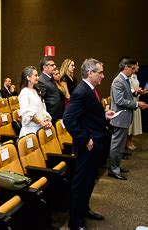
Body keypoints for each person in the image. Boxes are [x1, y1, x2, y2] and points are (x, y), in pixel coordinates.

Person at [63, 58, 115, 230]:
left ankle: (84, 209)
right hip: (87, 145)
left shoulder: (90, 89)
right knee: (81, 183)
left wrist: (104, 116)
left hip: (94, 143)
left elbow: (88, 115)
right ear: (90, 73)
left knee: (89, 181)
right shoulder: (81, 91)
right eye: (100, 72)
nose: (103, 76)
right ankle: (75, 222)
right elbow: (69, 120)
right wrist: (85, 139)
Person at [108, 57, 148, 180]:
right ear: (126, 67)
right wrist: (137, 104)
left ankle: (117, 167)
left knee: (120, 146)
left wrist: (136, 93)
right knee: (116, 146)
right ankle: (113, 170)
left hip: (124, 117)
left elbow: (128, 93)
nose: (134, 71)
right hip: (119, 118)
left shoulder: (125, 79)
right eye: (132, 68)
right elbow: (120, 100)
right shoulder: (118, 80)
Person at [18, 66, 52, 137]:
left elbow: (42, 109)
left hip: (39, 129)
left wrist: (46, 120)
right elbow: (27, 113)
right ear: (28, 78)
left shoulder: (36, 91)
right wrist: (41, 122)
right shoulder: (24, 92)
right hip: (30, 132)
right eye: (35, 75)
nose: (38, 77)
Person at [37, 57, 63, 123]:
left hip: (57, 115)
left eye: (54, 65)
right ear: (44, 67)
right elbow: (41, 101)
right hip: (50, 117)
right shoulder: (41, 80)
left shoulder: (51, 78)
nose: (55, 66)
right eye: (52, 65)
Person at [127, 61, 144, 150]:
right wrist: (136, 90)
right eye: (137, 65)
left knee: (134, 123)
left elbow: (135, 89)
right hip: (131, 101)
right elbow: (128, 89)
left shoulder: (135, 76)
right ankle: (127, 141)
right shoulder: (128, 77)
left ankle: (131, 140)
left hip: (136, 99)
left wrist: (141, 92)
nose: (138, 67)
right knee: (130, 123)